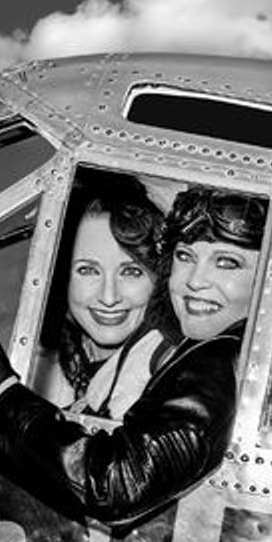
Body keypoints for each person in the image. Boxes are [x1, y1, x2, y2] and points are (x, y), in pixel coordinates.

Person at [0, 186, 268, 530]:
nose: (196, 281)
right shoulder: (214, 352)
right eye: (185, 256)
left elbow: (115, 484)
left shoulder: (217, 359)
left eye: (228, 263)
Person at [44, 171, 175, 420]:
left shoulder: (171, 373)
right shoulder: (39, 362)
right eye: (88, 270)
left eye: (131, 271)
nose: (109, 296)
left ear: (160, 279)